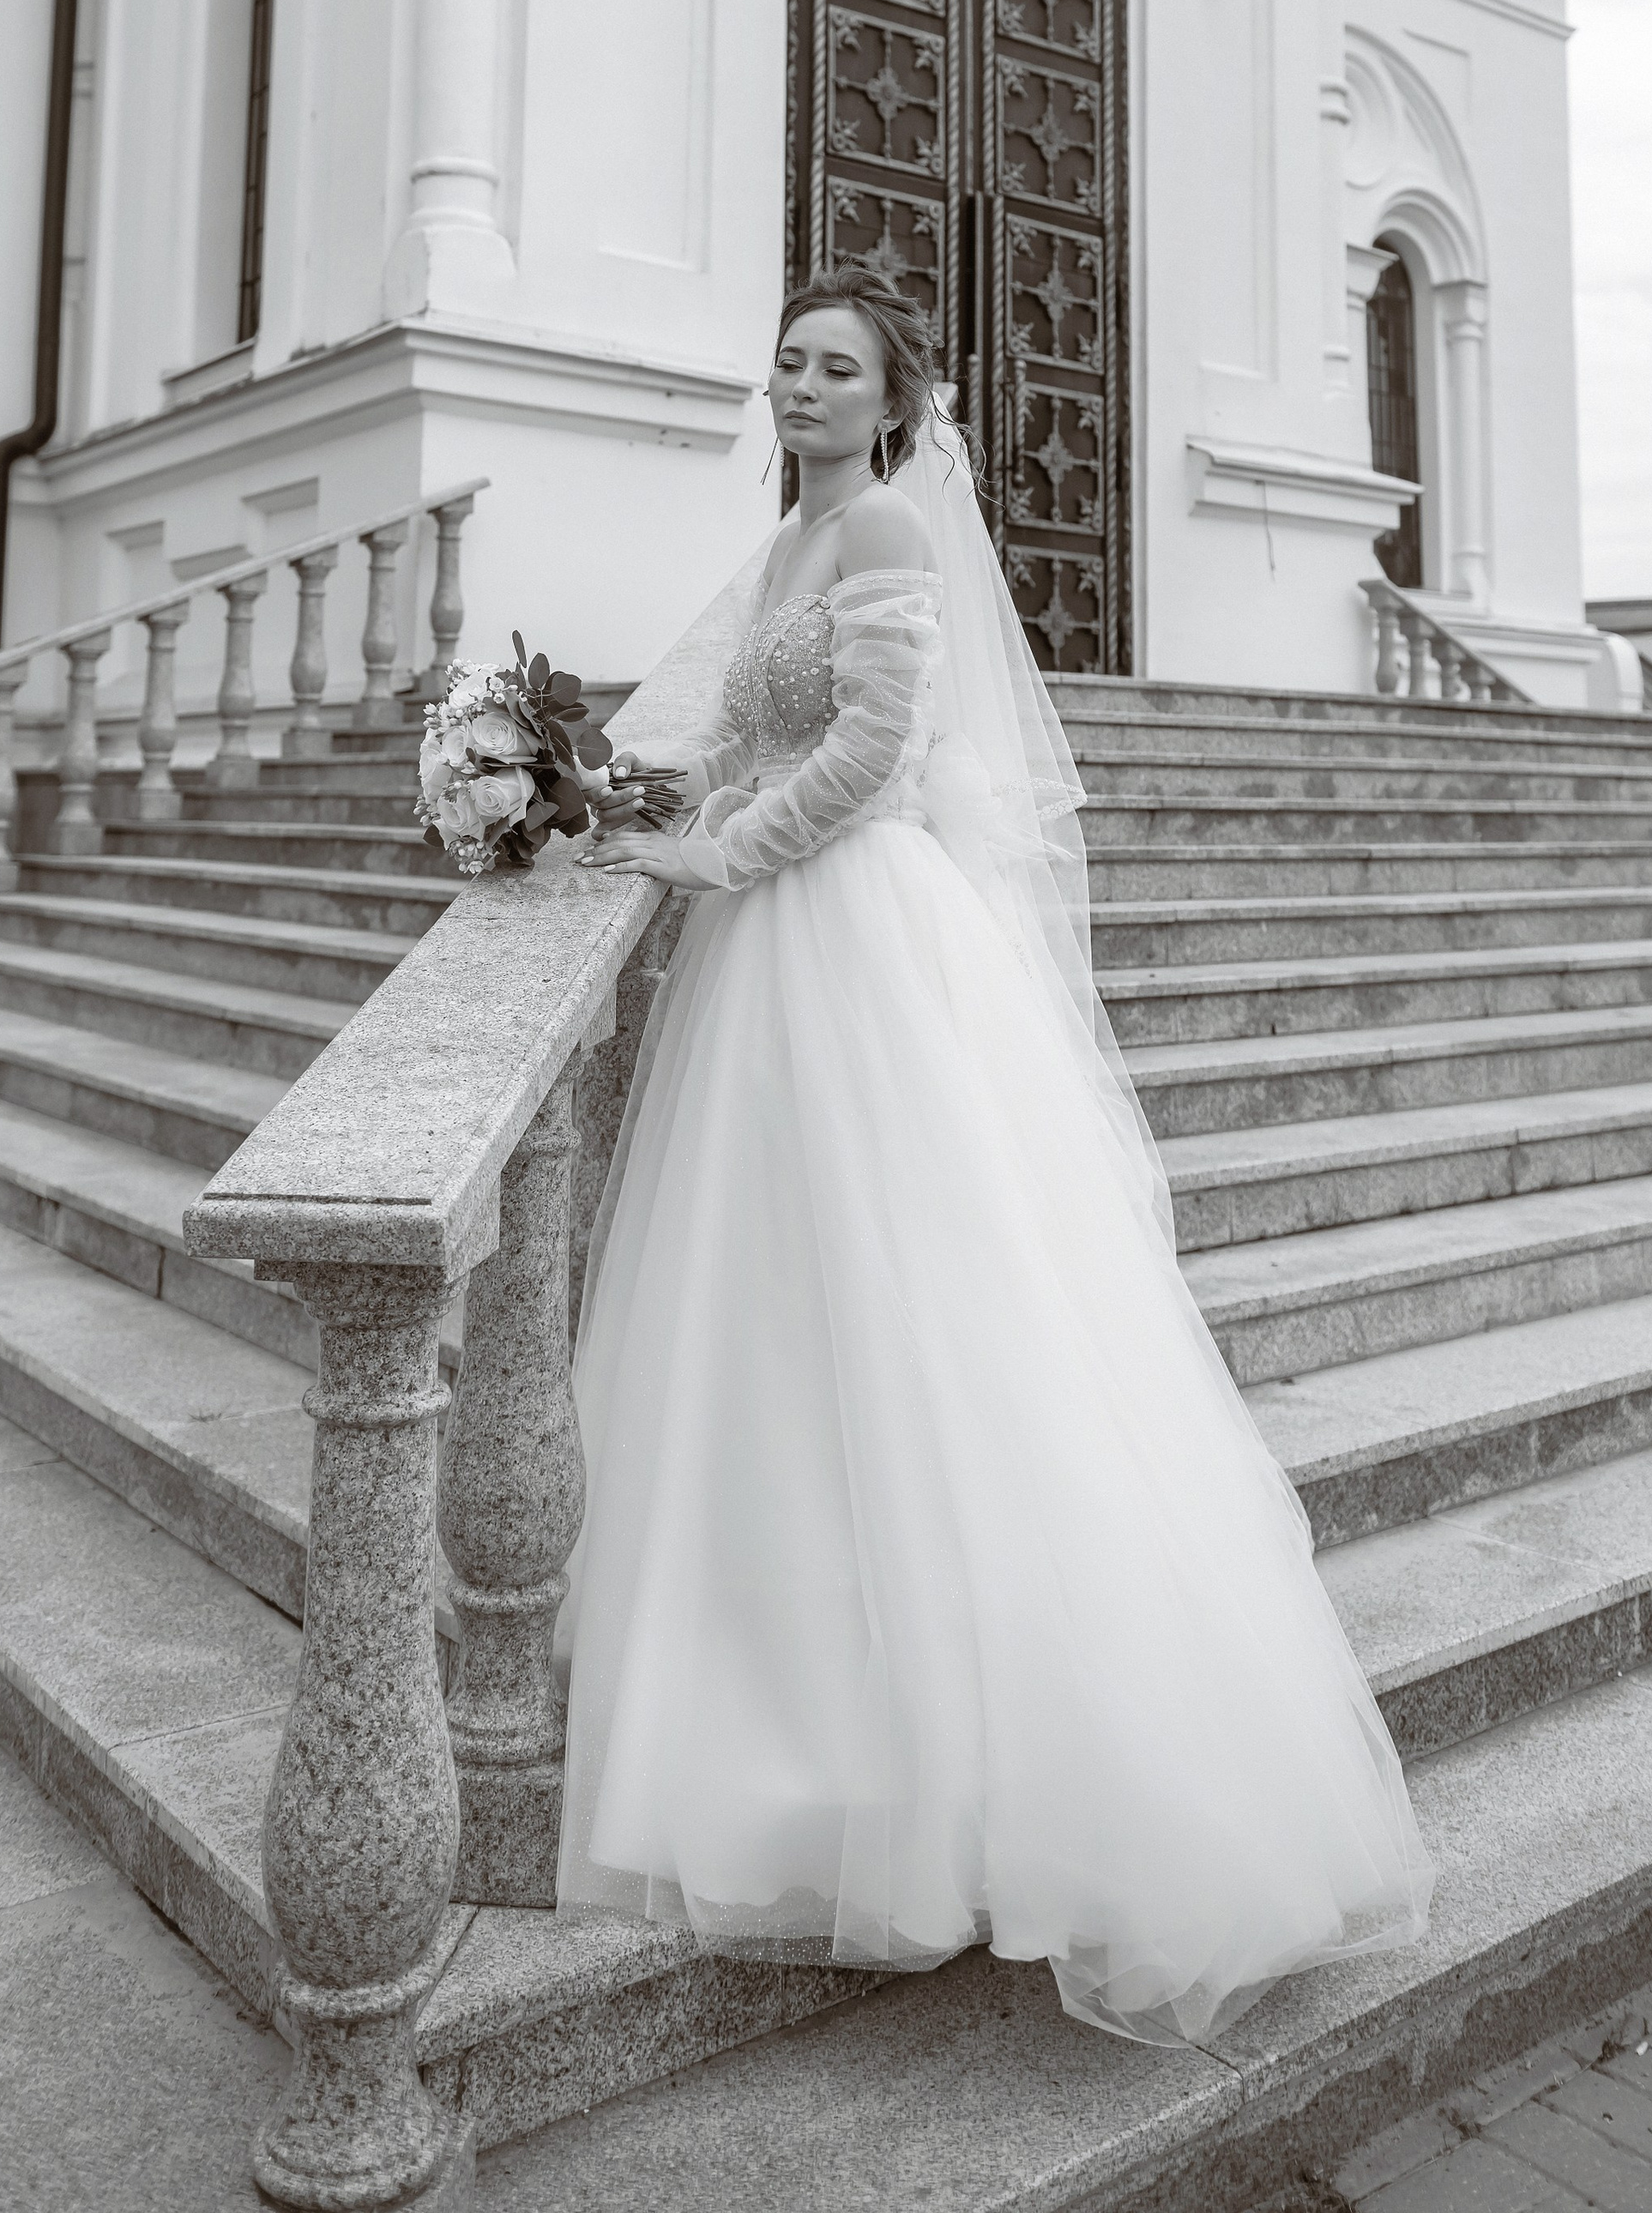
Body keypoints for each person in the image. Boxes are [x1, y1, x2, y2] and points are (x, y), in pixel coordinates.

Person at [564, 265, 1432, 2045]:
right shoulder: (797, 537)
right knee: (776, 1331)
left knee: (922, 1319)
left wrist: (717, 861)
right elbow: (742, 722)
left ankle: (998, 1765)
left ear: (893, 401)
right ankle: (794, 1712)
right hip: (767, 946)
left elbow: (879, 754)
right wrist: (618, 805)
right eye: (787, 361)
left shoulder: (881, 530)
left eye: (835, 368)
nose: (800, 386)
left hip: (849, 935)